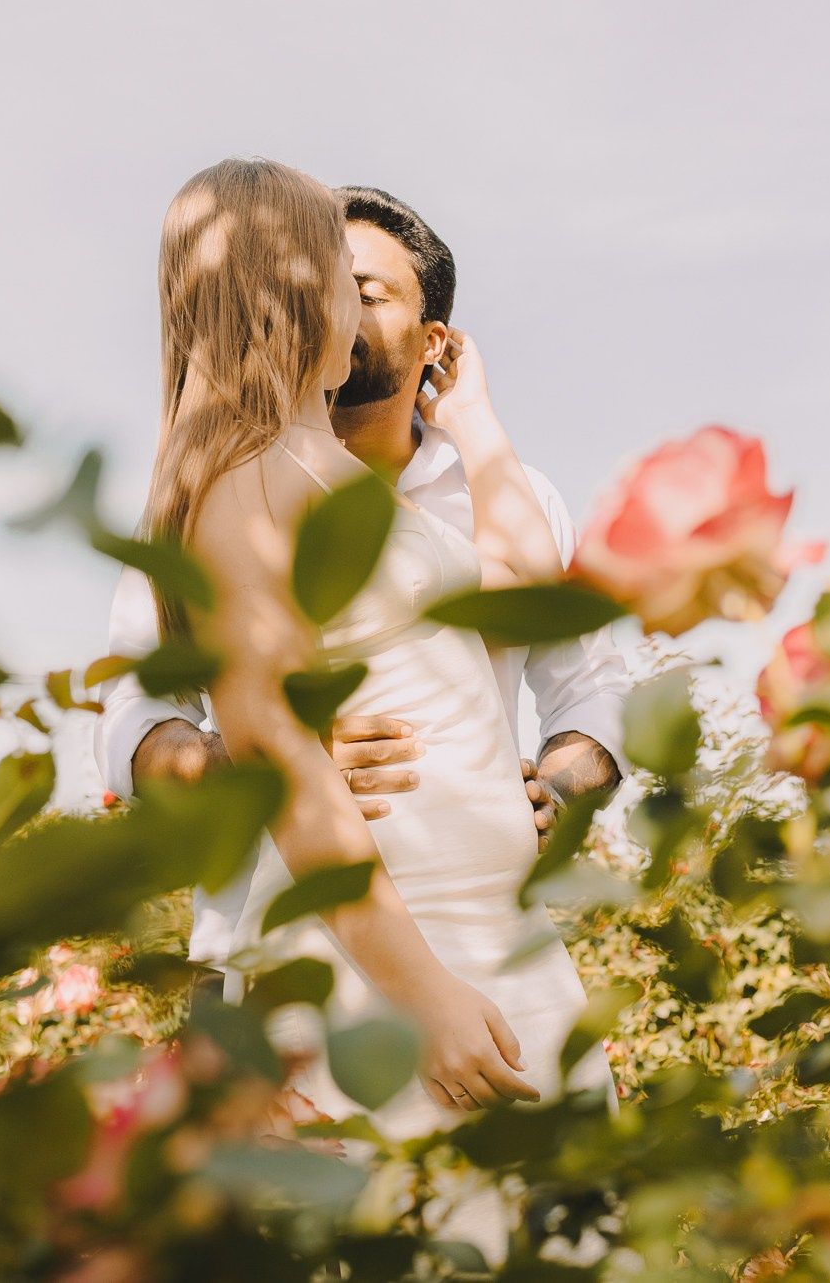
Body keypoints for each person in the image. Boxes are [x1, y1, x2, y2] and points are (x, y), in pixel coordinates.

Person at [97, 159, 628, 1134]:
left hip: (489, 916)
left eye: (365, 286)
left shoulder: (382, 481)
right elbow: (187, 727)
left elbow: (532, 615)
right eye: (332, 276)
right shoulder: (250, 479)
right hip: (363, 928)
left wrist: (478, 425)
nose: (347, 300)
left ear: (431, 336)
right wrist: (242, 765)